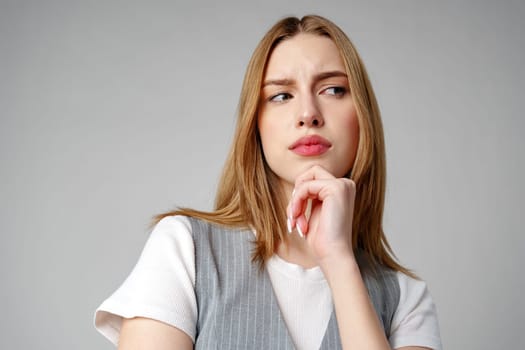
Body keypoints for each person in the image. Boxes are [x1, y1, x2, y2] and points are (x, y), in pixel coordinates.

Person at [94, 15, 442, 350]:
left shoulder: (405, 297)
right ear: (255, 125)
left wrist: (338, 260)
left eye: (334, 89)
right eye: (281, 95)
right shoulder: (185, 250)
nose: (308, 113)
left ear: (362, 117)